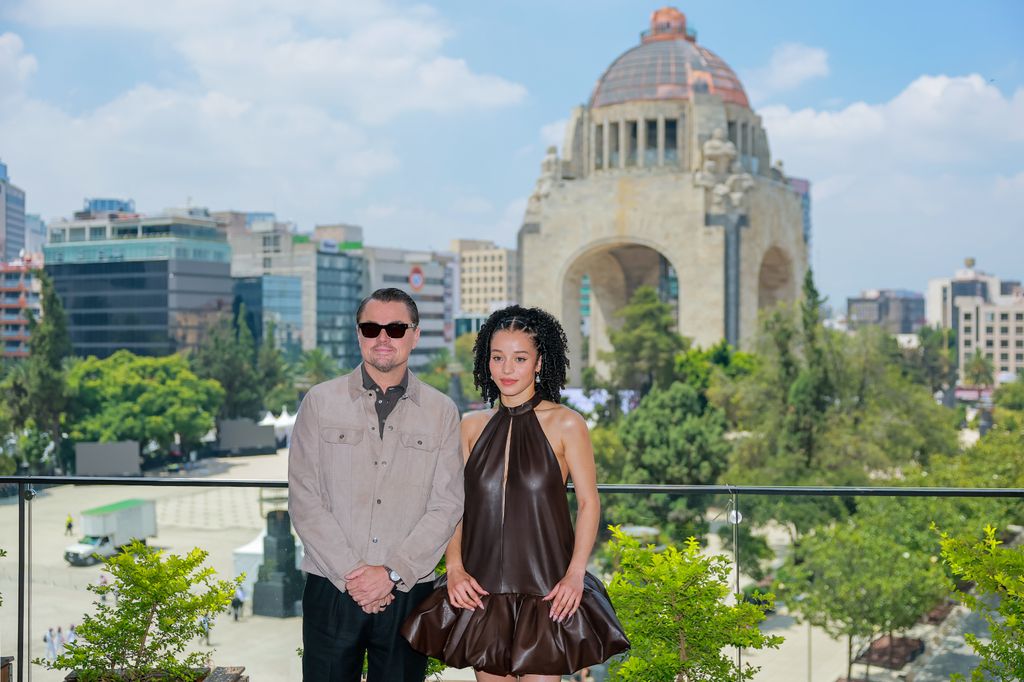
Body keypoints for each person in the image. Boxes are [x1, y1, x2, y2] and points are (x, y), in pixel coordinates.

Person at [402, 305, 629, 680]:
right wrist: (455, 568)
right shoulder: (470, 426)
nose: (507, 369)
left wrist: (575, 574)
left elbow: (589, 504)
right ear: (486, 361)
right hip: (482, 590)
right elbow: (452, 505)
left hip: (548, 591)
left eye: (519, 358)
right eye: (498, 357)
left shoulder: (567, 424)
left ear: (539, 362)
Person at [289, 287, 465, 682]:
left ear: (415, 335)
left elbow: (447, 505)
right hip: (331, 586)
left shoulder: (442, 412)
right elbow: (304, 499)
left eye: (396, 328)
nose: (382, 338)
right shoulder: (319, 402)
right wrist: (355, 575)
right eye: (371, 328)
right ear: (358, 334)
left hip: (407, 591)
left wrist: (390, 574)